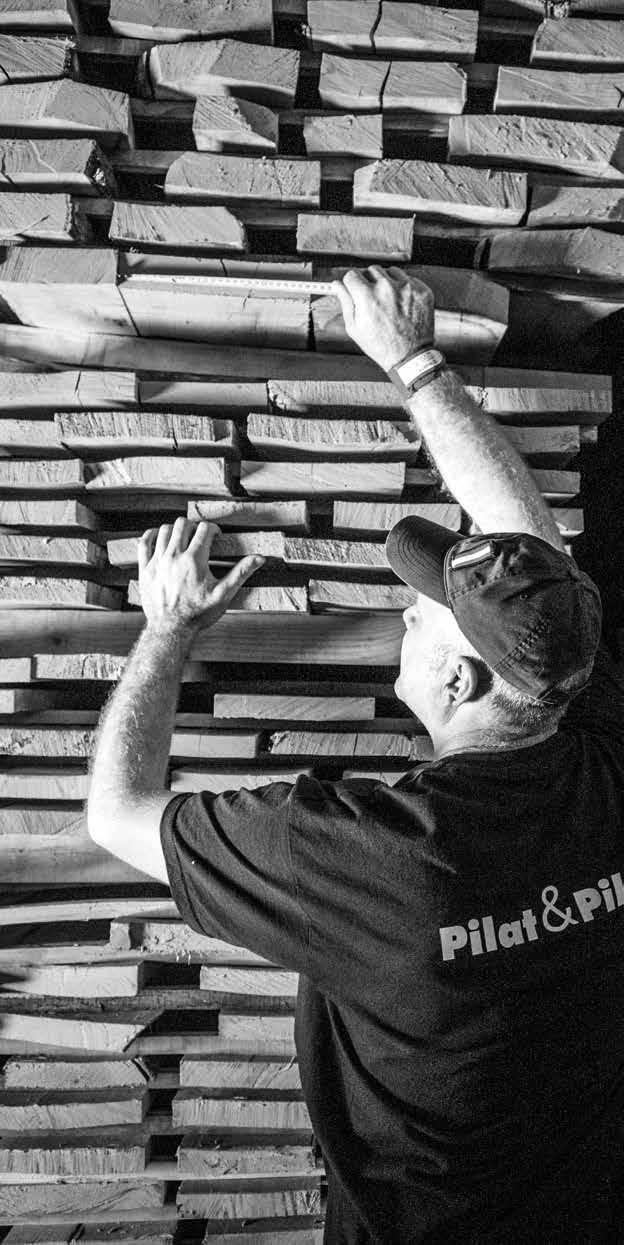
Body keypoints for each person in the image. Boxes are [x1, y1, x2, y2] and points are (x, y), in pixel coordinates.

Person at [87, 268, 624, 1245]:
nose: (404, 616)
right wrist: (414, 362)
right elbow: (535, 558)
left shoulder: (376, 858)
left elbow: (116, 811)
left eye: (421, 614)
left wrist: (166, 626)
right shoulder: (598, 758)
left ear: (459, 678)